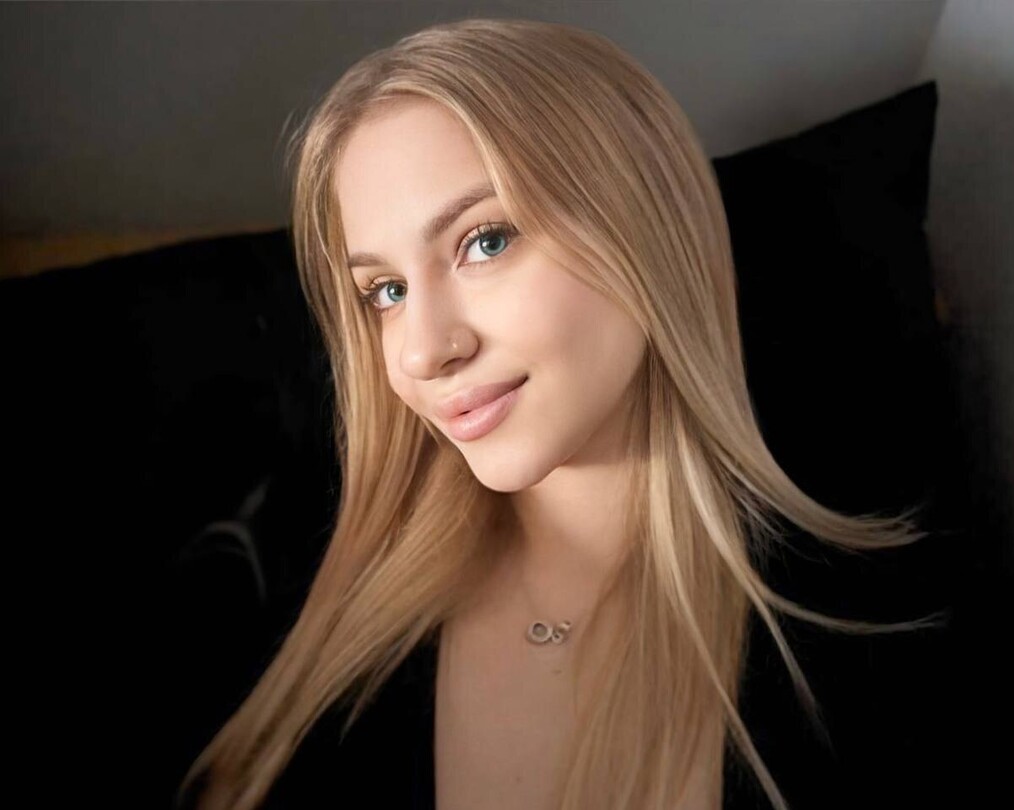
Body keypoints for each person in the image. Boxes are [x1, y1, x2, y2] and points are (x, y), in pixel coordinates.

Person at [179, 17, 942, 810]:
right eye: (387, 291)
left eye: (485, 241)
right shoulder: (291, 605)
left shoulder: (878, 638)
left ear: (644, 226)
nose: (422, 351)